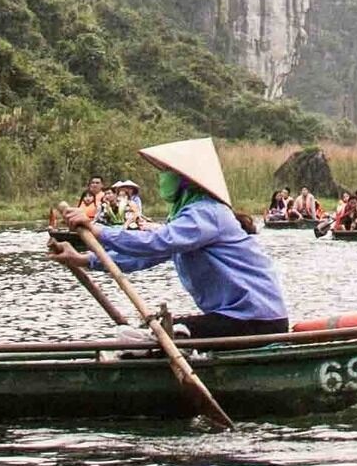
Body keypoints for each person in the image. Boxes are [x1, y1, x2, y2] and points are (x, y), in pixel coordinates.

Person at [54, 136, 290, 338]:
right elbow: (143, 257)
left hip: (257, 319)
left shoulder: (207, 212)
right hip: (231, 319)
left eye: (168, 173)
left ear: (185, 180)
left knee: (168, 332)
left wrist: (98, 231)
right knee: (152, 333)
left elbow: (157, 242)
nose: (163, 178)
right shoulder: (185, 216)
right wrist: (83, 259)